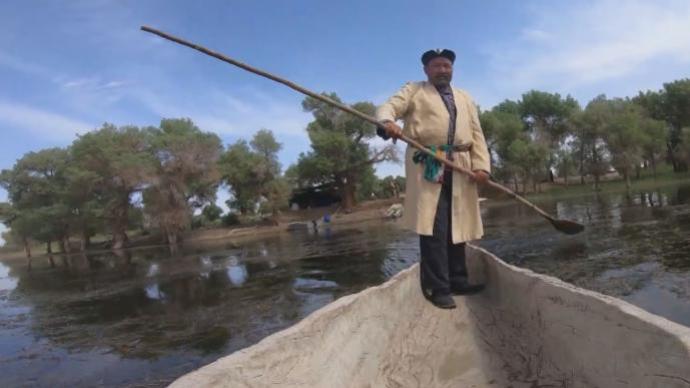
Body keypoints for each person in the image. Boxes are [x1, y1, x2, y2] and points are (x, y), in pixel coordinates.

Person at [376, 48, 491, 309]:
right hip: (429, 162)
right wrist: (387, 122)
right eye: (437, 66)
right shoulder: (414, 90)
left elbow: (477, 133)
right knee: (435, 227)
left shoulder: (464, 97)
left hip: (461, 165)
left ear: (452, 69)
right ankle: (437, 287)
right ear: (426, 70)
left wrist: (482, 166)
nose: (442, 70)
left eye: (446, 65)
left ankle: (458, 280)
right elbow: (389, 107)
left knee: (458, 223)